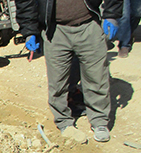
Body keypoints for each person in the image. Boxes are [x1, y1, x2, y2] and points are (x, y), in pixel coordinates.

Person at [16, 0, 123, 142]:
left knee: (96, 76)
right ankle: (63, 121)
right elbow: (26, 2)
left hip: (89, 25)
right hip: (55, 30)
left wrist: (112, 15)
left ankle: (99, 120)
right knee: (58, 81)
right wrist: (29, 31)